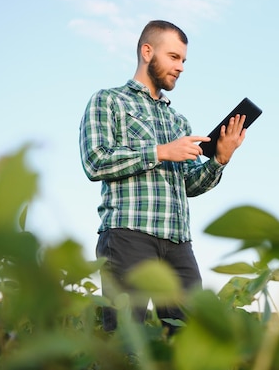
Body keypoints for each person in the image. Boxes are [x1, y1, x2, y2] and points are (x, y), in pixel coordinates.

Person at [79, 20, 246, 333]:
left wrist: (220, 159)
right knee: (126, 339)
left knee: (192, 337)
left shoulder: (177, 120)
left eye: (183, 60)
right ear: (147, 52)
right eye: (173, 57)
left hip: (178, 243)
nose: (181, 67)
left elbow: (188, 185)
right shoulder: (109, 101)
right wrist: (159, 152)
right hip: (129, 234)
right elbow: (95, 161)